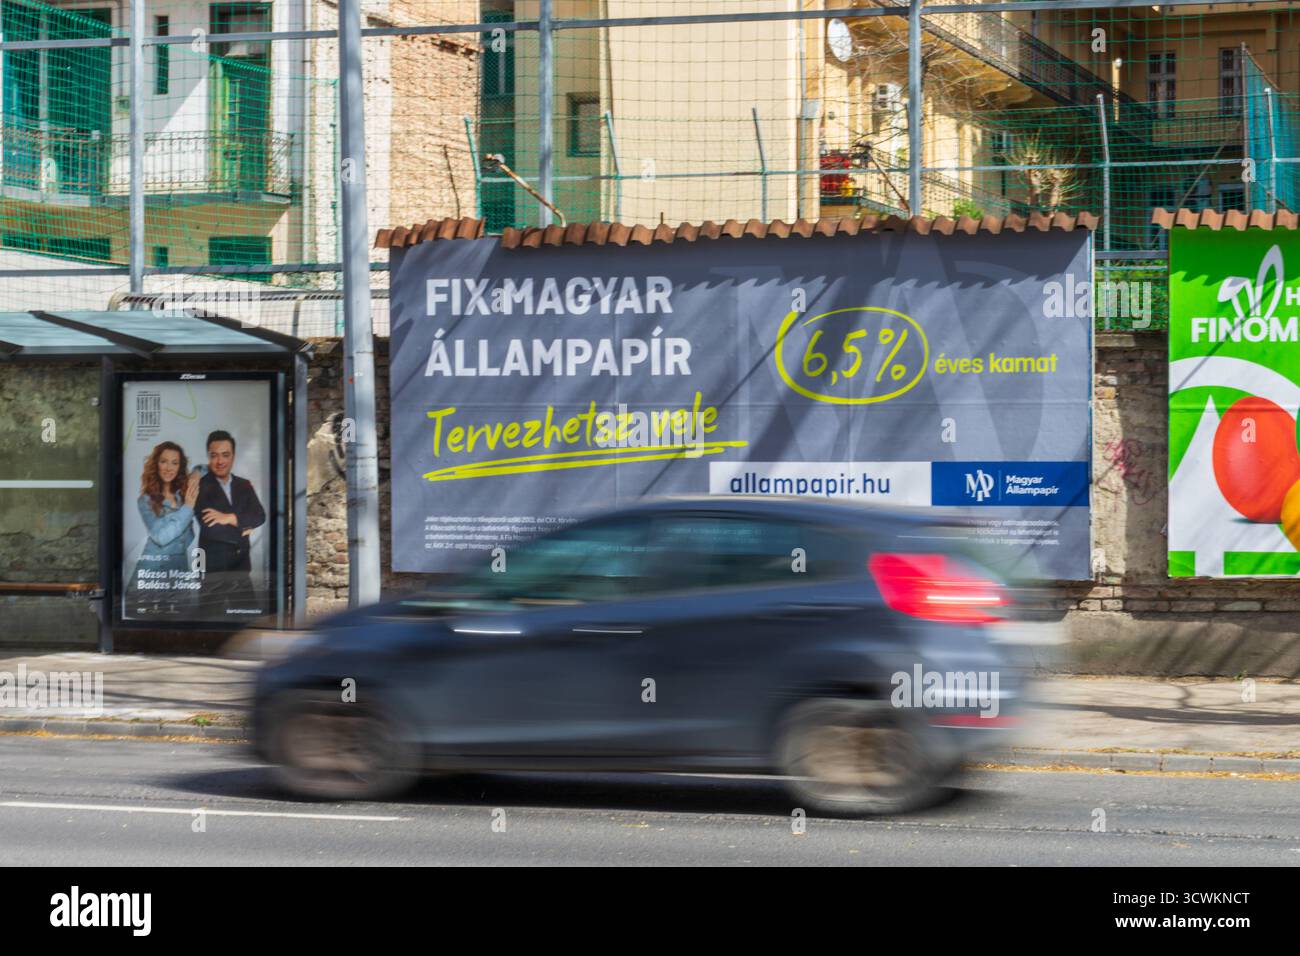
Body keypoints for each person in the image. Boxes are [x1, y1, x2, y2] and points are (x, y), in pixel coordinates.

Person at [195, 429, 267, 617]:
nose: (220, 461)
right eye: (214, 456)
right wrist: (243, 526)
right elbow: (211, 529)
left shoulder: (244, 485)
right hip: (213, 572)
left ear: (233, 456)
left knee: (249, 622)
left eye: (225, 455)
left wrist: (230, 518)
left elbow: (260, 516)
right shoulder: (200, 486)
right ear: (208, 457)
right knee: (207, 623)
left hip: (241, 569)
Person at [127, 442, 200, 616]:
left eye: (175, 463)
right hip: (153, 571)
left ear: (180, 467)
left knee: (180, 623)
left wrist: (197, 472)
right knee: (144, 624)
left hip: (179, 569)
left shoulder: (182, 496)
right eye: (164, 461)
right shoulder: (145, 501)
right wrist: (188, 508)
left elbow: (205, 469)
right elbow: (161, 536)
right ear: (156, 465)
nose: (169, 468)